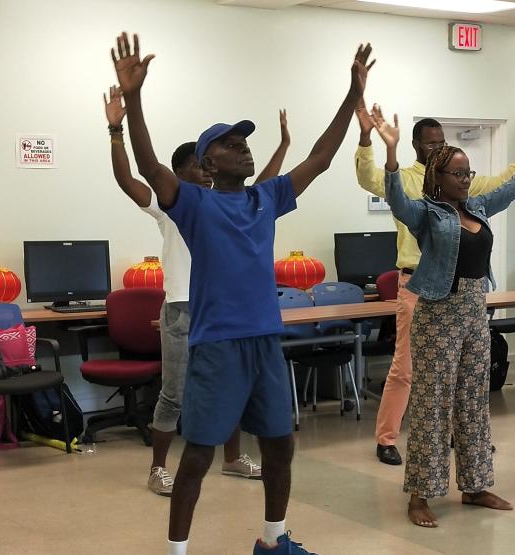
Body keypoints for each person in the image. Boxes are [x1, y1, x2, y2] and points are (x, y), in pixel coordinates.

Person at [111, 32, 372, 554]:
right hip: (217, 346)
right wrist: (134, 101)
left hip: (265, 342)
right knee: (199, 456)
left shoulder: (266, 198)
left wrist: (352, 93)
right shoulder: (193, 203)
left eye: (244, 142)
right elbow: (148, 167)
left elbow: (321, 157)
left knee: (280, 446)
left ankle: (274, 543)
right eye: (230, 144)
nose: (243, 148)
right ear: (207, 164)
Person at [369, 105, 515, 528]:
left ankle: (474, 486)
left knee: (473, 402)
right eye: (458, 173)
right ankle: (420, 494)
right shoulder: (426, 213)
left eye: (468, 172)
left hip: (473, 312)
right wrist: (391, 153)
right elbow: (397, 200)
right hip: (438, 314)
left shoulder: (479, 207)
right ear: (438, 177)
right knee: (432, 406)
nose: (466, 179)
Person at [103, 86, 288, 496]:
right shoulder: (173, 205)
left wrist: (283, 146)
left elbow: (269, 183)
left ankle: (233, 458)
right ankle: (158, 467)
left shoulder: (231, 204)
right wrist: (116, 131)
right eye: (196, 167)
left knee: (234, 390)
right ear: (182, 171)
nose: (204, 174)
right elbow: (128, 178)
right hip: (182, 309)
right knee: (174, 394)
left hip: (221, 311)